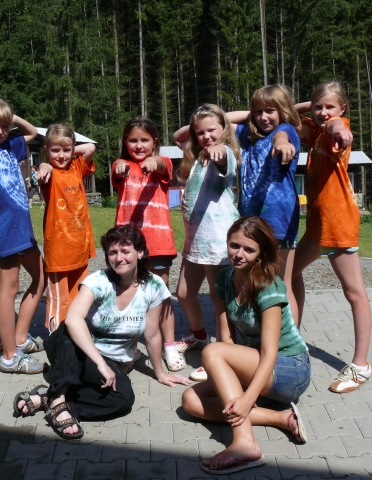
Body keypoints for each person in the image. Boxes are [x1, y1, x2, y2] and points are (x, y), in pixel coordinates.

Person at [12, 225, 191, 439]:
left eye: (125, 251)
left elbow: (152, 335)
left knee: (123, 399)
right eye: (113, 252)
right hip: (71, 351)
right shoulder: (98, 281)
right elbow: (73, 319)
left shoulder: (153, 286)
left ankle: (46, 400)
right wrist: (100, 363)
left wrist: (159, 373)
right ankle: (59, 401)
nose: (119, 258)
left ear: (140, 252)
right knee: (71, 326)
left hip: (113, 362)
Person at [182, 216, 311, 475]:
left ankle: (245, 443)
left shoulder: (268, 285)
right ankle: (281, 418)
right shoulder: (224, 278)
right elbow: (226, 339)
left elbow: (270, 353)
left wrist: (247, 398)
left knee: (212, 351)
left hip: (290, 368)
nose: (239, 254)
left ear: (261, 253)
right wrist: (232, 386)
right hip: (255, 365)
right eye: (234, 246)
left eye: (248, 249)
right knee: (191, 401)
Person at [292, 82, 372, 393]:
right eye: (318, 106)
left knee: (354, 293)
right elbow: (286, 113)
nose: (323, 112)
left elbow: (339, 128)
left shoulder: (337, 128)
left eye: (330, 106)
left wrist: (339, 128)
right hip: (317, 226)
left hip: (339, 224)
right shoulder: (313, 130)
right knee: (290, 273)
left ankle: (361, 366)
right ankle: (293, 339)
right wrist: (309, 104)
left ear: (342, 109)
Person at [0, 98, 46, 375]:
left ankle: (20, 337)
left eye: (4, 126)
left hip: (22, 227)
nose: (0, 131)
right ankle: (10, 357)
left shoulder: (12, 145)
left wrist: (10, 119)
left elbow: (33, 133)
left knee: (41, 277)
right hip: (4, 228)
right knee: (8, 289)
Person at [172, 104, 241, 381]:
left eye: (212, 130)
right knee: (184, 293)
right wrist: (206, 123)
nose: (206, 137)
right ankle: (199, 335)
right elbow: (179, 135)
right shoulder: (195, 155)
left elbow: (222, 154)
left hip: (217, 241)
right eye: (200, 132)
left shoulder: (226, 154)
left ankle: (224, 354)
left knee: (218, 298)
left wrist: (220, 139)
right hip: (195, 241)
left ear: (224, 129)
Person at [112, 116, 185, 372]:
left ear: (155, 142)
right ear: (125, 142)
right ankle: (128, 347)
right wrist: (121, 165)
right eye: (133, 140)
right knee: (128, 297)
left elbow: (162, 165)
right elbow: (118, 168)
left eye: (144, 140)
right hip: (127, 245)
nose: (139, 145)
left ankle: (169, 346)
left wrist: (155, 161)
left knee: (161, 297)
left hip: (159, 244)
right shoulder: (121, 165)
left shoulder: (163, 162)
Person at [225, 84, 302, 318]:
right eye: (258, 111)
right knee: (256, 277)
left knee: (281, 282)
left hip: (279, 219)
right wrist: (253, 113)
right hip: (251, 221)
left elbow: (282, 136)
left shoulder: (286, 130)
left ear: (283, 110)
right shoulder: (247, 136)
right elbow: (220, 119)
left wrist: (282, 144)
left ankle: (290, 336)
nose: (263, 117)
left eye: (270, 110)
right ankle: (262, 328)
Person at [35, 124, 96, 333]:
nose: (61, 155)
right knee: (60, 300)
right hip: (59, 252)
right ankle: (56, 339)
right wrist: (45, 164)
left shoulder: (76, 168)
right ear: (46, 150)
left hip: (80, 248)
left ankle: (75, 334)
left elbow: (90, 148)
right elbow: (43, 170)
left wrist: (66, 149)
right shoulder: (48, 174)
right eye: (55, 150)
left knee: (79, 296)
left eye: (66, 150)